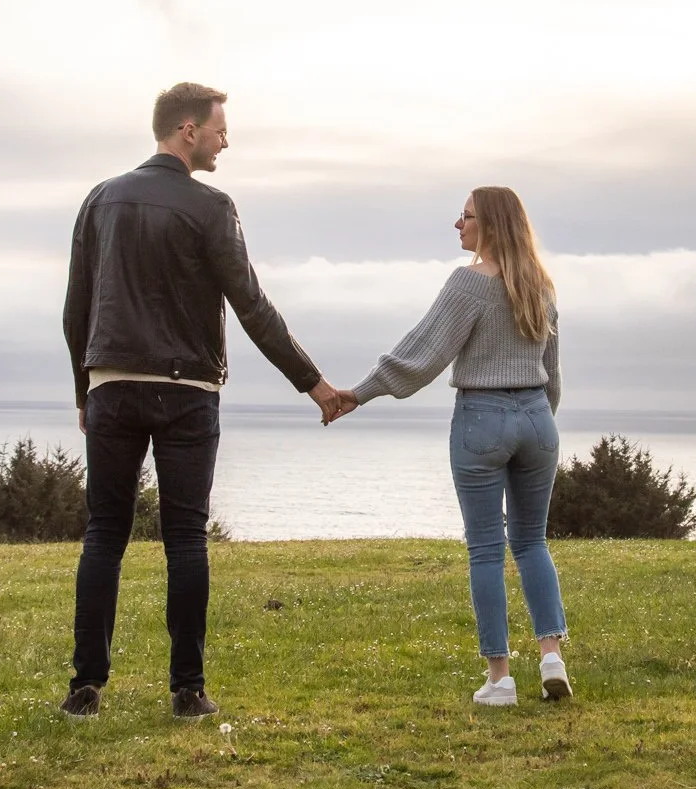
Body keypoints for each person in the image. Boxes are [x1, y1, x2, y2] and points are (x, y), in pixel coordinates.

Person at [60, 82, 346, 720]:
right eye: (220, 129)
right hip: (188, 392)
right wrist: (315, 384)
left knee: (104, 534)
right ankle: (188, 690)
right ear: (187, 130)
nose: (226, 140)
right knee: (185, 537)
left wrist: (86, 390)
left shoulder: (101, 200)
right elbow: (251, 305)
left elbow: (75, 310)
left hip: (112, 384)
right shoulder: (212, 207)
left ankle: (86, 689)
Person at [332, 185, 571, 706]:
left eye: (465, 217)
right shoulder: (541, 286)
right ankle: (551, 655)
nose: (457, 225)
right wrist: (535, 424)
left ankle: (499, 679)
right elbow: (552, 375)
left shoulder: (467, 284)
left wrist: (361, 393)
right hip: (537, 419)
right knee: (532, 542)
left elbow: (421, 355)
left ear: (490, 225)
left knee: (486, 548)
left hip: (481, 418)